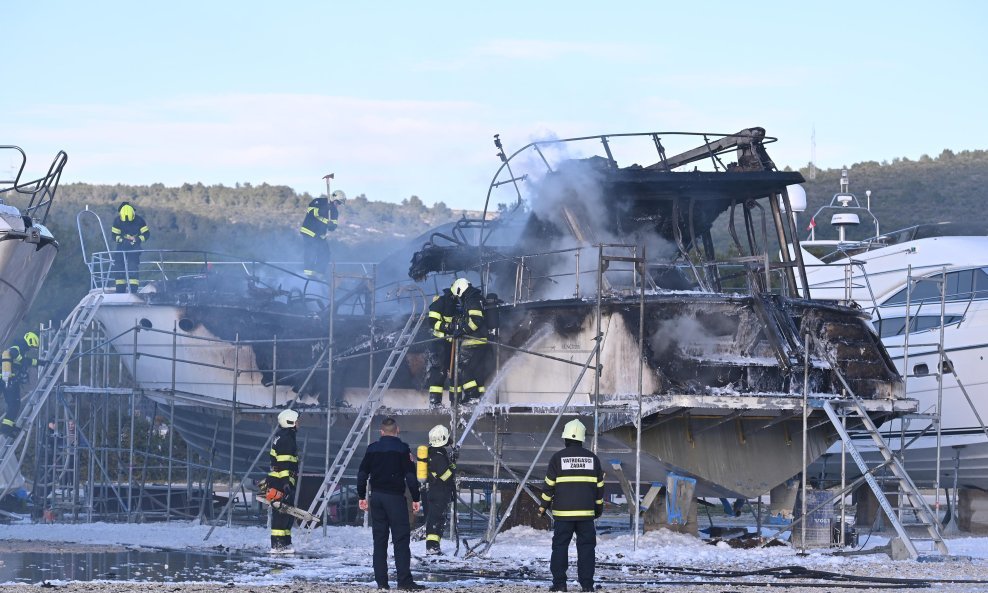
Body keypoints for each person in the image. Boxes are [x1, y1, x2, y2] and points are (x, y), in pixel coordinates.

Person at [357, 417, 425, 590]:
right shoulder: (402, 449)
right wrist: (416, 498)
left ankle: (382, 583)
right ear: (397, 430)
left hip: (377, 498)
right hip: (395, 498)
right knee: (401, 540)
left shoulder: (372, 449)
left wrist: (362, 496)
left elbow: (362, 473)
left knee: (379, 541)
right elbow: (410, 476)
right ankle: (404, 581)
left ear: (381, 432)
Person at [539, 419, 605, 593]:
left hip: (563, 515)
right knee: (587, 549)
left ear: (565, 438)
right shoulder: (593, 459)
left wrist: (543, 506)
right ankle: (587, 586)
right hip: (586, 515)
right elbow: (599, 489)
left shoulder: (557, 458)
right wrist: (598, 509)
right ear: (582, 439)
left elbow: (548, 486)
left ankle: (560, 584)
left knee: (560, 547)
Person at [425, 277, 488, 406]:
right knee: (441, 370)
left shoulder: (470, 301)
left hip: (462, 342)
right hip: (440, 343)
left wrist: (462, 329)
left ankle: (469, 397)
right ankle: (439, 401)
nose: (457, 300)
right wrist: (448, 327)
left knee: (458, 370)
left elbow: (475, 320)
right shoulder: (442, 303)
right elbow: (432, 322)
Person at [265, 409, 300, 554]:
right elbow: (284, 463)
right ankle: (278, 545)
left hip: (280, 479)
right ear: (290, 422)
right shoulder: (286, 439)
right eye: (297, 420)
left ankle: (285, 543)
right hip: (282, 481)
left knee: (287, 513)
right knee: (281, 513)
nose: (299, 423)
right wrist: (286, 484)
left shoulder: (282, 436)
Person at [424, 424, 456, 555]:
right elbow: (446, 476)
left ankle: (434, 546)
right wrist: (453, 468)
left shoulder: (433, 453)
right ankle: (432, 547)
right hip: (439, 492)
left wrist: (451, 461)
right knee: (437, 519)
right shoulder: (439, 456)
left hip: (434, 491)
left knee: (435, 518)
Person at [1, 331, 41, 436]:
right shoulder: (16, 348)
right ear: (29, 342)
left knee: (12, 404)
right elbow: (19, 357)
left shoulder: (20, 349)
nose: (31, 349)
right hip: (9, 381)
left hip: (8, 381)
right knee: (14, 405)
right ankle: (6, 428)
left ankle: (9, 425)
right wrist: (22, 361)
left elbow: (27, 361)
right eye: (31, 347)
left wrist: (40, 362)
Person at [299, 190, 345, 280]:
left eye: (340, 204)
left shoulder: (335, 212)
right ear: (333, 199)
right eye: (338, 202)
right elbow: (313, 213)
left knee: (325, 253)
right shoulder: (318, 202)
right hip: (309, 232)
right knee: (311, 252)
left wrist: (332, 226)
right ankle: (308, 274)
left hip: (320, 236)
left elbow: (333, 226)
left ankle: (319, 274)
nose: (338, 205)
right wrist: (325, 209)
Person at [110, 202, 151, 293]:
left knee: (133, 268)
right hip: (121, 247)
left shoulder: (139, 221)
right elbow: (114, 235)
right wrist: (121, 240)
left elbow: (146, 234)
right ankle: (120, 290)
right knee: (119, 270)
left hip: (134, 247)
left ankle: (133, 291)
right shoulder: (117, 221)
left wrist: (137, 239)